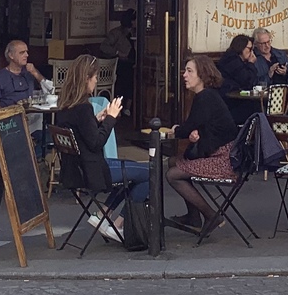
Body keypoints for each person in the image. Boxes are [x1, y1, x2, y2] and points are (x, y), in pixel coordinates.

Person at [54, 54, 148, 244]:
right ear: (86, 78)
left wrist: (96, 120)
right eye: (94, 76)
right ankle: (119, 224)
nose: (96, 80)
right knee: (149, 172)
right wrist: (112, 118)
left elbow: (81, 133)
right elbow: (96, 143)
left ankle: (102, 215)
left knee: (131, 168)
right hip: (92, 171)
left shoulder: (65, 107)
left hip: (76, 170)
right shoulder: (83, 108)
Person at [165, 55, 239, 237]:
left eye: (190, 71)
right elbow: (201, 127)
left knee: (172, 175)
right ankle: (193, 216)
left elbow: (187, 127)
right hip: (219, 153)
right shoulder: (207, 96)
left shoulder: (205, 97)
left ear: (202, 75)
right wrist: (196, 134)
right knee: (173, 162)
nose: (184, 75)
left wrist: (178, 129)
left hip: (224, 159)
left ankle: (211, 215)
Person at [0, 38, 46, 106]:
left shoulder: (31, 72)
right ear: (11, 55)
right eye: (22, 52)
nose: (26, 55)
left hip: (33, 113)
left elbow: (49, 90)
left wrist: (36, 74)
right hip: (10, 114)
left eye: (26, 52)